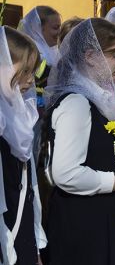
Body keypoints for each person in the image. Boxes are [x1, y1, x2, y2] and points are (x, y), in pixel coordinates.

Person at [44, 19, 115, 264]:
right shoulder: (77, 103)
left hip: (95, 217)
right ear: (91, 56)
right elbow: (66, 174)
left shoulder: (92, 98)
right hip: (82, 225)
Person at [0, 26, 46, 264]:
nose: (30, 80)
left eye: (32, 71)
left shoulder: (19, 119)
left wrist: (36, 245)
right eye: (24, 71)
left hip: (21, 231)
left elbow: (30, 188)